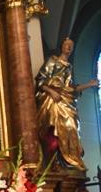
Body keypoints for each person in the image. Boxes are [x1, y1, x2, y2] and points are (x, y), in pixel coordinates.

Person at [36, 37, 98, 170]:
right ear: (61, 46)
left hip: (66, 99)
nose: (69, 48)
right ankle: (56, 161)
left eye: (71, 46)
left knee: (72, 126)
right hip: (53, 100)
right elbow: (40, 81)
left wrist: (89, 84)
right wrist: (51, 92)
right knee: (55, 128)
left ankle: (71, 160)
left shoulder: (69, 67)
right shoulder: (52, 61)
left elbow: (72, 88)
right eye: (66, 45)